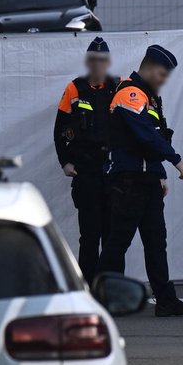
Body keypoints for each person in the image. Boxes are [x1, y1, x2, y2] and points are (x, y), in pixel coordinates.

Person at [100, 43, 183, 316]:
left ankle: (165, 301)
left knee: (156, 242)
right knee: (118, 243)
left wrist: (160, 174)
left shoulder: (149, 98)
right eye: (163, 74)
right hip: (128, 181)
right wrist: (175, 160)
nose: (165, 80)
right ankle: (102, 299)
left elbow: (155, 138)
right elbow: (144, 134)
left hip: (147, 180)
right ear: (151, 68)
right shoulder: (130, 93)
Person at [53, 36, 115, 278]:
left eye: (102, 60)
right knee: (89, 234)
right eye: (94, 60)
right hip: (86, 171)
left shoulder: (118, 87)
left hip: (112, 172)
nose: (98, 65)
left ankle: (110, 287)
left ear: (108, 63)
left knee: (112, 235)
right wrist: (65, 162)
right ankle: (88, 287)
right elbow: (59, 131)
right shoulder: (74, 88)